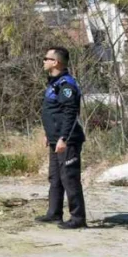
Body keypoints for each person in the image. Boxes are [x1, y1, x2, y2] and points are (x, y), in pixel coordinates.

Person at [38, 46, 87, 229]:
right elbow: (52, 112)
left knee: (69, 178)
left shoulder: (67, 85)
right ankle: (54, 213)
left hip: (67, 141)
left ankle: (78, 218)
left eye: (46, 58)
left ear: (55, 62)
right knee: (55, 177)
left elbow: (70, 113)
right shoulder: (54, 83)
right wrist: (48, 134)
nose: (43, 61)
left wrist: (63, 138)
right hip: (54, 139)